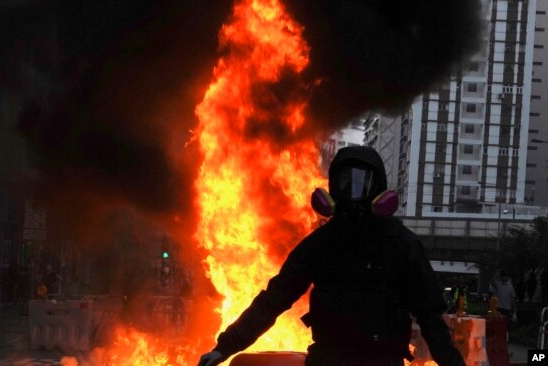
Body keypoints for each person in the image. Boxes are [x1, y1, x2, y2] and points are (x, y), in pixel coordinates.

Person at [198, 146, 465, 366]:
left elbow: (431, 317)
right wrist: (225, 347)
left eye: (363, 182)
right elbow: (274, 299)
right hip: (329, 361)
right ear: (332, 191)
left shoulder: (400, 245)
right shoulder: (322, 244)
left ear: (379, 189)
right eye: (345, 182)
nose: (353, 193)